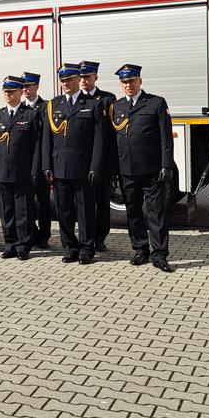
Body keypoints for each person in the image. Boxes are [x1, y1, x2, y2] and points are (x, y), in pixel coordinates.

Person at [110, 64, 175, 273]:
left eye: (132, 81)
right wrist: (112, 169)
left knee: (156, 213)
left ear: (140, 81)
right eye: (125, 82)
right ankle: (140, 249)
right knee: (133, 212)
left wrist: (166, 165)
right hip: (126, 170)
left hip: (151, 170)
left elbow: (166, 138)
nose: (128, 85)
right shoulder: (117, 107)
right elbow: (113, 141)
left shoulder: (155, 103)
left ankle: (159, 254)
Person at [41, 63, 104, 264]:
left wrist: (96, 166)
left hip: (83, 169)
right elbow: (46, 140)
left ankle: (87, 248)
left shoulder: (92, 104)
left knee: (85, 212)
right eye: (63, 81)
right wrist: (46, 165)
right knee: (64, 211)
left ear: (78, 80)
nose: (66, 84)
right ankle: (69, 247)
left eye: (70, 80)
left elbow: (99, 140)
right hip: (59, 168)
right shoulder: (54, 105)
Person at [0, 76, 42, 260]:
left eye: (12, 91)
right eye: (6, 92)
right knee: (6, 211)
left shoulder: (30, 114)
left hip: (23, 172)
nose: (8, 95)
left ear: (20, 92)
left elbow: (36, 146)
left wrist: (35, 170)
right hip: (2, 171)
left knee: (23, 212)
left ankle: (24, 245)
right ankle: (10, 243)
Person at [79, 60, 117, 252]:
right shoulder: (73, 100)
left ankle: (100, 237)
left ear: (95, 77)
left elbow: (112, 132)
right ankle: (86, 237)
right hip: (80, 162)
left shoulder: (108, 99)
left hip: (101, 161)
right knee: (83, 203)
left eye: (87, 76)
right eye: (81, 77)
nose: (84, 80)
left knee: (102, 202)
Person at [21, 73, 51, 248]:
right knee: (26, 203)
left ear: (37, 87)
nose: (26, 89)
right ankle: (31, 233)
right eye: (24, 87)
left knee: (44, 203)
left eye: (30, 86)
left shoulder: (46, 107)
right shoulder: (20, 108)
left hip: (41, 164)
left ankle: (44, 236)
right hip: (25, 165)